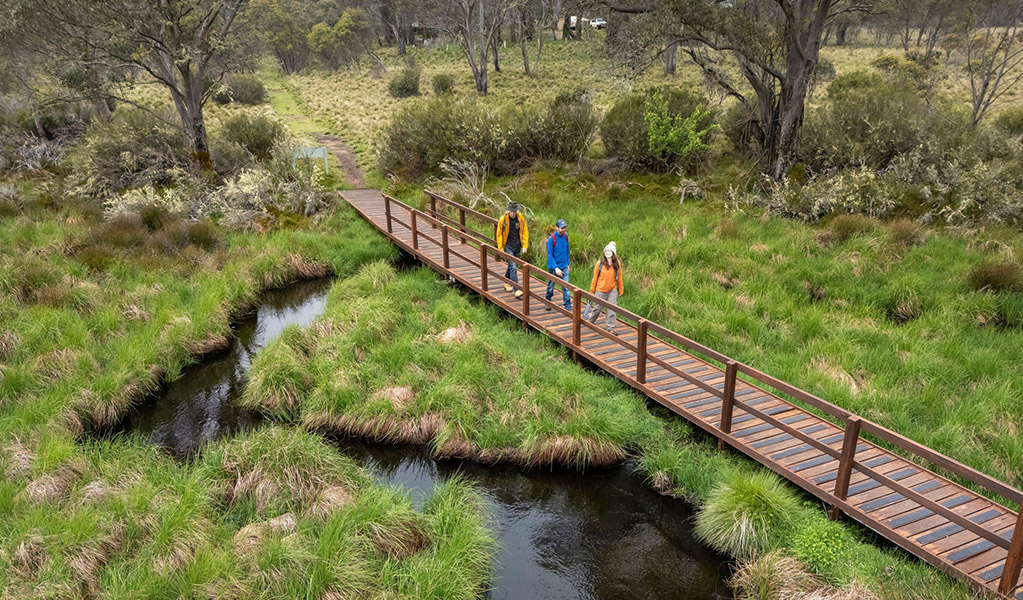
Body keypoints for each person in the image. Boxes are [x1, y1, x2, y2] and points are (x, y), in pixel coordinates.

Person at [583, 241, 624, 334]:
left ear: (613, 253)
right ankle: (590, 321)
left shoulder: (617, 263)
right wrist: (592, 290)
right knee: (597, 308)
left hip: (612, 290)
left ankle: (610, 328)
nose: (607, 253)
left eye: (610, 251)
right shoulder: (599, 264)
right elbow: (595, 278)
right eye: (606, 251)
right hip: (600, 290)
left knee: (612, 309)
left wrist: (621, 288)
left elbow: (619, 276)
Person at [495, 201, 528, 298]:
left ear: (517, 211)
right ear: (508, 211)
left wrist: (525, 245)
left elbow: (525, 231)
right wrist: (500, 249)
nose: (512, 213)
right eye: (511, 211)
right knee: (513, 267)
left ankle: (506, 282)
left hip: (517, 245)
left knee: (512, 266)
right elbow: (499, 234)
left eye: (514, 211)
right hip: (508, 246)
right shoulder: (503, 219)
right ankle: (517, 289)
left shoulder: (520, 218)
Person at [545, 218, 571, 311]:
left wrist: (567, 264)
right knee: (551, 286)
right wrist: (556, 268)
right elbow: (550, 255)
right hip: (553, 267)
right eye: (562, 228)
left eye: (564, 227)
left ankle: (567, 306)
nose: (564, 229)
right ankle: (548, 301)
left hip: (564, 266)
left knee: (566, 287)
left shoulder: (566, 236)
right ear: (557, 228)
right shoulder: (552, 239)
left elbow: (566, 251)